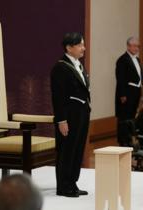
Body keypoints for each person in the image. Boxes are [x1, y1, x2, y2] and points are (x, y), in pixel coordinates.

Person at [51, 32, 90, 197]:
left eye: (83, 44)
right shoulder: (60, 68)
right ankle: (63, 186)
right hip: (69, 116)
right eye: (80, 45)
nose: (84, 48)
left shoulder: (79, 65)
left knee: (77, 149)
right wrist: (61, 120)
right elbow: (58, 97)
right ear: (69, 47)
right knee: (67, 150)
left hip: (82, 114)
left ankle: (72, 182)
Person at [115, 36, 143, 146]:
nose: (137, 48)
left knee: (131, 116)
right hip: (126, 93)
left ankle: (130, 138)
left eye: (138, 46)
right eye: (135, 46)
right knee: (124, 117)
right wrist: (122, 94)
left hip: (135, 92)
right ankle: (123, 140)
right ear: (128, 46)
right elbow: (120, 78)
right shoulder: (122, 60)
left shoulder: (137, 59)